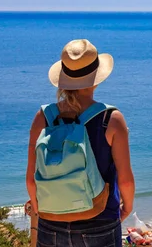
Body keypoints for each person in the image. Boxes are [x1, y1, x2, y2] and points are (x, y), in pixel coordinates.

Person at [26, 39, 135, 247]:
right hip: (100, 220)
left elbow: (32, 180)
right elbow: (126, 180)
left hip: (51, 223)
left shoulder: (43, 117)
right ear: (97, 79)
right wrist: (127, 207)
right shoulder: (111, 119)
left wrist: (42, 212)